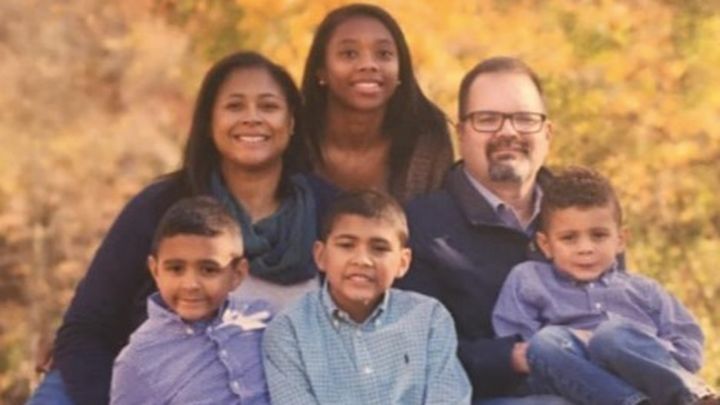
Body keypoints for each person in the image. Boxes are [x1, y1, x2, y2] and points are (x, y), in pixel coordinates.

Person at [27, 51, 333, 405]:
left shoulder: (329, 211)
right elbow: (86, 328)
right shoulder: (159, 206)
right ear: (209, 122)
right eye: (234, 106)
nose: (252, 118)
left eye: (268, 106)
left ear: (291, 122)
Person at [395, 57, 570, 404]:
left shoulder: (583, 214)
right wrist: (512, 357)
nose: (508, 132)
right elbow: (414, 353)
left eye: (525, 119)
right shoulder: (421, 226)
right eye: (487, 119)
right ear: (461, 134)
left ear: (547, 133)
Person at [492, 166, 718, 405]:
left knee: (612, 336)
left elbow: (689, 349)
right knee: (545, 341)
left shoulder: (644, 290)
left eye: (598, 235)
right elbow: (518, 348)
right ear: (545, 244)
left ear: (620, 240)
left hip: (643, 379)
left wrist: (637, 346)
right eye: (569, 238)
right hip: (574, 382)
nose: (585, 248)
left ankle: (694, 398)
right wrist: (580, 345)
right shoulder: (529, 279)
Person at [262, 190, 471, 404]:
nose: (362, 260)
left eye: (379, 248)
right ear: (320, 255)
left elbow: (447, 397)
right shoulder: (290, 329)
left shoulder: (428, 319)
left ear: (403, 262)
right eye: (346, 245)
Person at [111, 196, 270, 404]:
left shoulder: (265, 322)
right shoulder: (137, 360)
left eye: (209, 270)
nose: (190, 284)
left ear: (237, 274)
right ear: (155, 270)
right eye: (176, 269)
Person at [298, 3, 453, 203]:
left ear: (401, 70)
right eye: (349, 54)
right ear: (321, 71)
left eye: (383, 54)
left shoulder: (426, 139)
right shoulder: (292, 136)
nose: (369, 65)